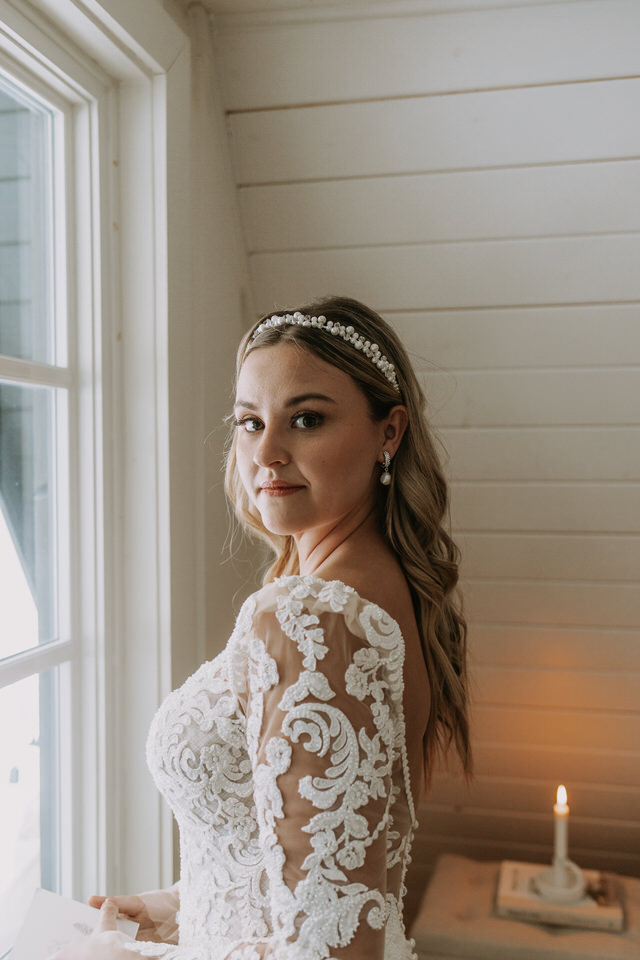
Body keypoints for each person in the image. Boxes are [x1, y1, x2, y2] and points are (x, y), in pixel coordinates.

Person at [50, 296, 471, 960]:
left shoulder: (315, 617)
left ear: (389, 432)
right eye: (249, 422)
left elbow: (330, 947)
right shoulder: (368, 592)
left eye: (306, 419)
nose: (266, 453)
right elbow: (320, 865)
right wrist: (175, 908)